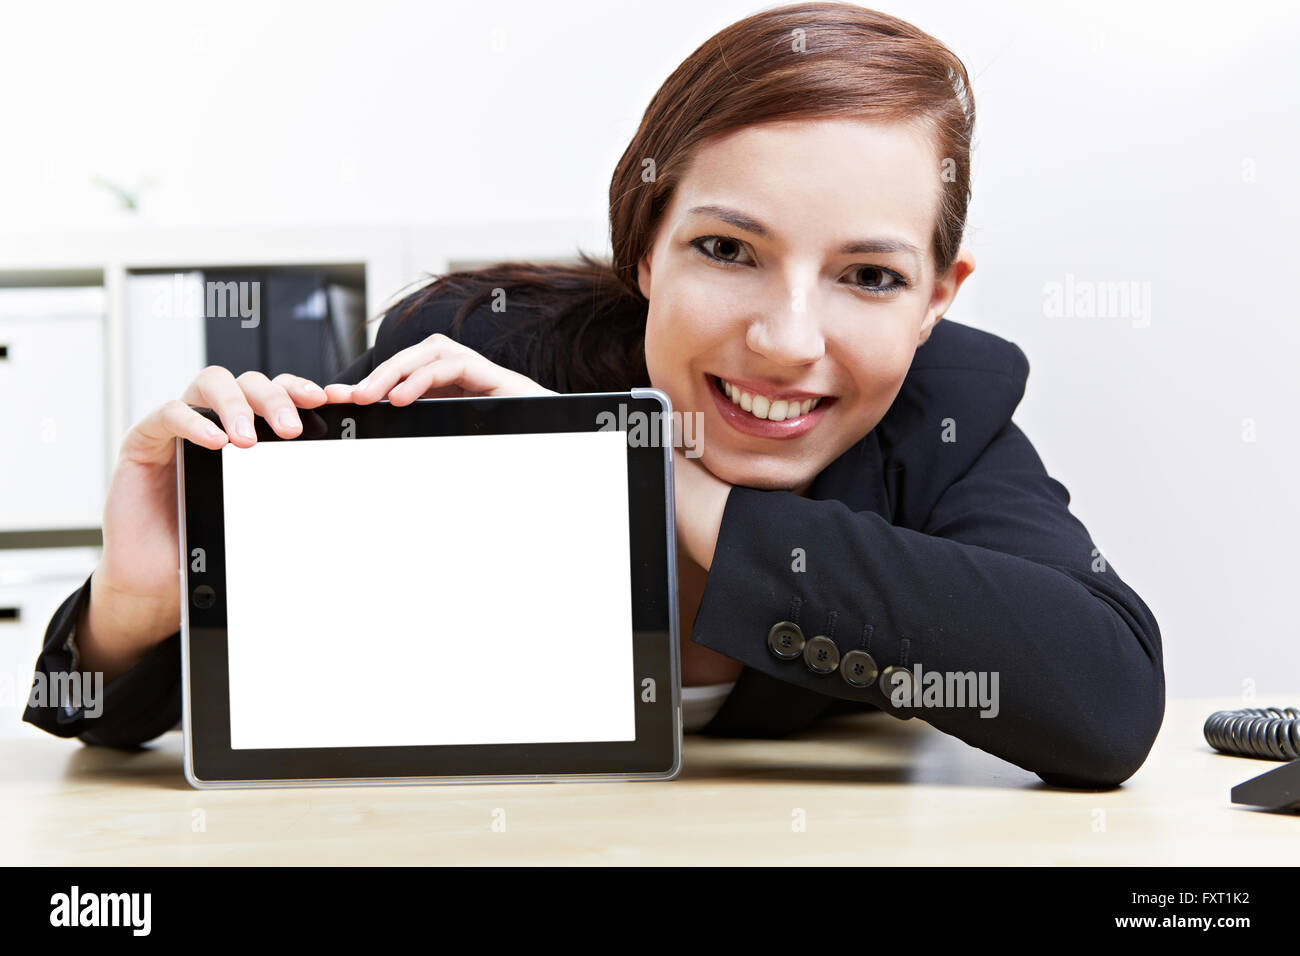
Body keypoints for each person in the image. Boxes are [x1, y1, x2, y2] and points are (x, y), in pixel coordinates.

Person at [23, 2, 1164, 789]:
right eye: (728, 248)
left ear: (932, 301)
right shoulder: (462, 357)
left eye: (870, 275)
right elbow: (109, 720)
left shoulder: (941, 411)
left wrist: (633, 472)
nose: (785, 339)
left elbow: (1104, 700)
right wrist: (131, 609)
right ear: (646, 248)